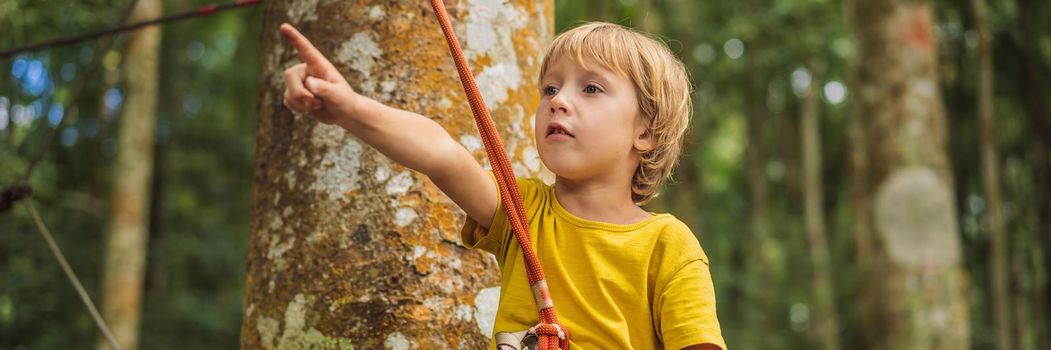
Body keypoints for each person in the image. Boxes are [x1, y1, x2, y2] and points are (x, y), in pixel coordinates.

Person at [280, 20, 725, 350]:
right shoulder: (523, 210)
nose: (559, 102)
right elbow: (441, 153)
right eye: (550, 90)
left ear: (645, 132)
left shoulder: (669, 244)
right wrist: (349, 109)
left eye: (591, 89)